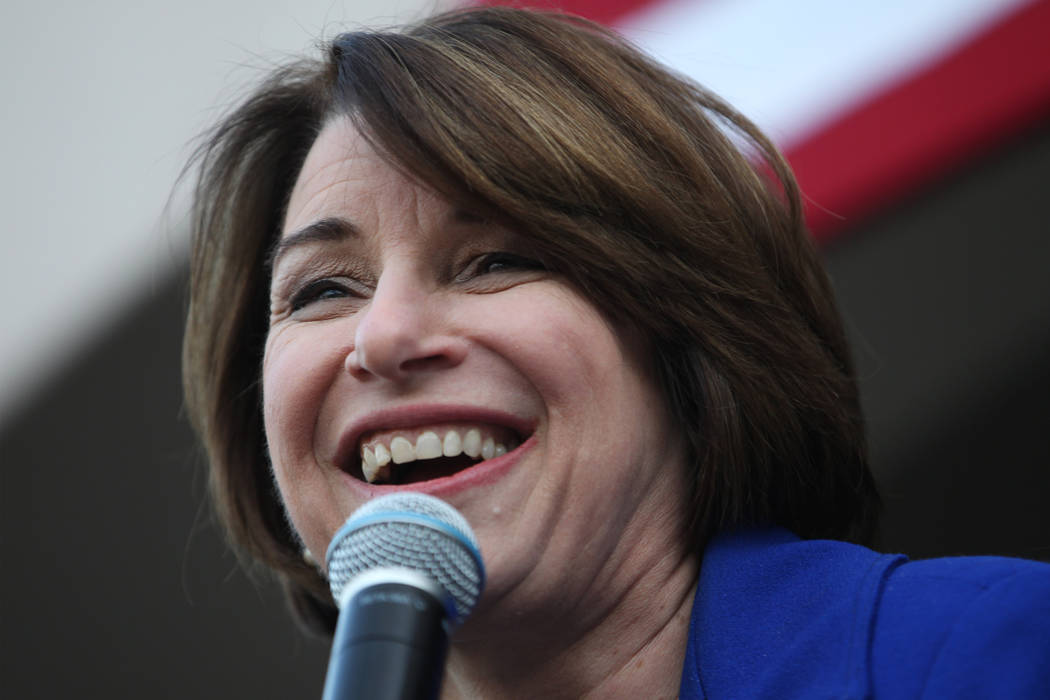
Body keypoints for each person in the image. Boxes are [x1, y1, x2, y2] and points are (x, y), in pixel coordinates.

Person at [182, 6, 1049, 698]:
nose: (384, 337)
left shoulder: (991, 654)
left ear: (687, 334)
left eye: (497, 260)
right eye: (321, 290)